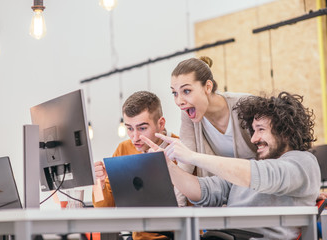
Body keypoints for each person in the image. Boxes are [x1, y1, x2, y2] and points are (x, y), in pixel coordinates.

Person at [141, 92, 321, 239]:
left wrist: (193, 156)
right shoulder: (250, 166)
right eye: (253, 130)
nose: (253, 139)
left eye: (261, 129)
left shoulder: (302, 162)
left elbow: (262, 176)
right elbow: (204, 191)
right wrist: (167, 167)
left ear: (285, 132)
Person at [170, 56, 257, 206]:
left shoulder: (246, 105)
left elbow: (271, 158)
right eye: (175, 93)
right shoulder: (188, 115)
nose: (179, 101)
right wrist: (178, 209)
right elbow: (186, 162)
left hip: (256, 193)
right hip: (222, 197)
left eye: (186, 91)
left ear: (208, 87)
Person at [92, 91, 179, 240]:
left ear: (161, 123)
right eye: (130, 128)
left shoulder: (179, 148)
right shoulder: (123, 149)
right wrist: (99, 184)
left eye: (142, 128)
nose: (135, 137)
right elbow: (104, 209)